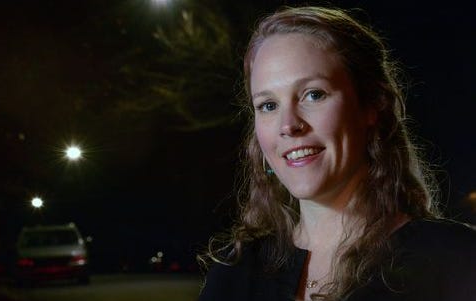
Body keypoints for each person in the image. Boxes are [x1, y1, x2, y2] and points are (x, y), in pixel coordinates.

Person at [197, 5, 476, 301]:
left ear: (371, 105)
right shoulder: (235, 273)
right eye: (268, 105)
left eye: (313, 94)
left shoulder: (458, 261)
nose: (288, 125)